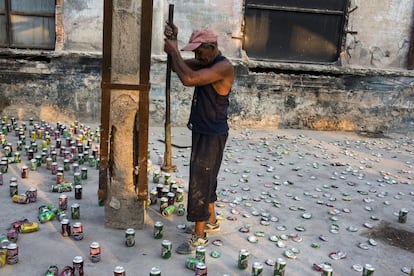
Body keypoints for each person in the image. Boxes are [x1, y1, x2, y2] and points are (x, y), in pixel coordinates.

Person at [164, 25, 235, 254]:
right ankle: (211, 220)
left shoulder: (223, 67)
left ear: (212, 47)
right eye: (194, 52)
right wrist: (173, 43)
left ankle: (200, 235)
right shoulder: (207, 62)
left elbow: (188, 77)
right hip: (204, 129)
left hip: (212, 133)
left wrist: (175, 50)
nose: (196, 56)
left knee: (200, 180)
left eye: (199, 52)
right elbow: (179, 68)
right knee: (207, 176)